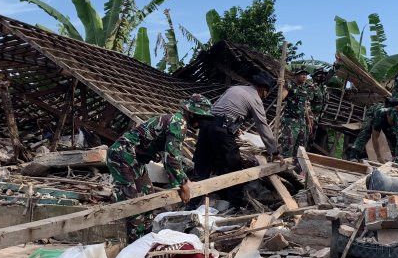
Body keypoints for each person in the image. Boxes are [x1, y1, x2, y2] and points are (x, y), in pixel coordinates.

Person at [107, 94, 213, 241]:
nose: (203, 123)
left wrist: (183, 179)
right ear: (192, 114)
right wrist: (183, 185)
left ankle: (145, 238)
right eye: (202, 118)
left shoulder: (177, 121)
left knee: (148, 197)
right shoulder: (178, 123)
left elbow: (166, 153)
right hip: (121, 156)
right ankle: (133, 243)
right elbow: (171, 158)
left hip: (135, 160)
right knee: (132, 203)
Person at [193, 73, 280, 208]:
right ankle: (235, 205)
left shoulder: (234, 89)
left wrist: (233, 128)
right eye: (266, 93)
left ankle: (192, 203)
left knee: (203, 166)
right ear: (263, 89)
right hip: (221, 129)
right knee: (234, 167)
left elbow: (219, 108)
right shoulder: (255, 98)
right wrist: (274, 151)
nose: (265, 96)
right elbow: (262, 125)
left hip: (207, 126)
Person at [280, 68, 315, 161]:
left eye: (306, 75)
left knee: (301, 146)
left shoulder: (304, 89)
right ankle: (285, 167)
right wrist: (281, 87)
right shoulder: (289, 85)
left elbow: (305, 106)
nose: (305, 76)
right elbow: (281, 98)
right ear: (296, 75)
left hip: (301, 121)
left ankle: (295, 166)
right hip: (290, 120)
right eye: (302, 74)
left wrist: (309, 122)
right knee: (289, 144)